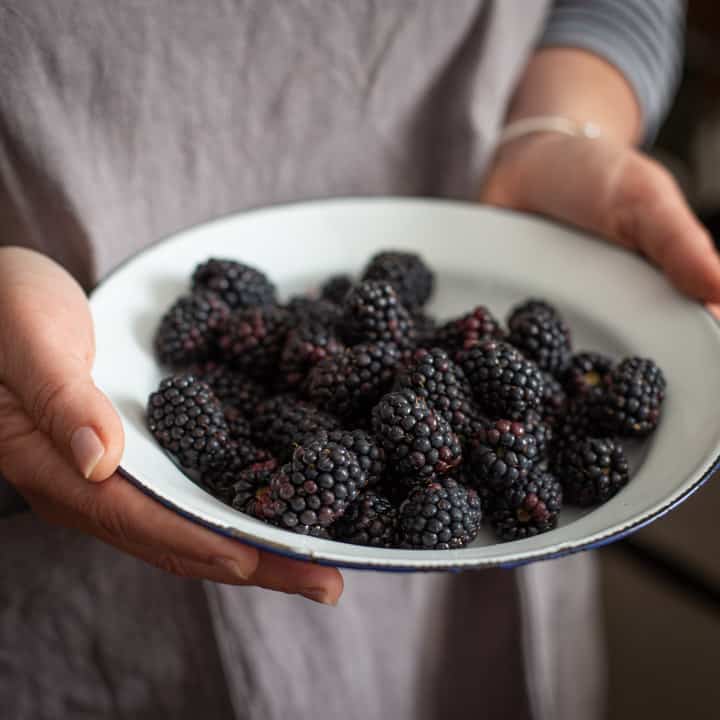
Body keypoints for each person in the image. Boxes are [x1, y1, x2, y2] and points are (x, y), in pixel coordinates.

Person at [0, 1, 712, 718]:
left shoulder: (466, 424)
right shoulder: (327, 393)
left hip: (493, 573)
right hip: (94, 569)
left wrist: (556, 128)